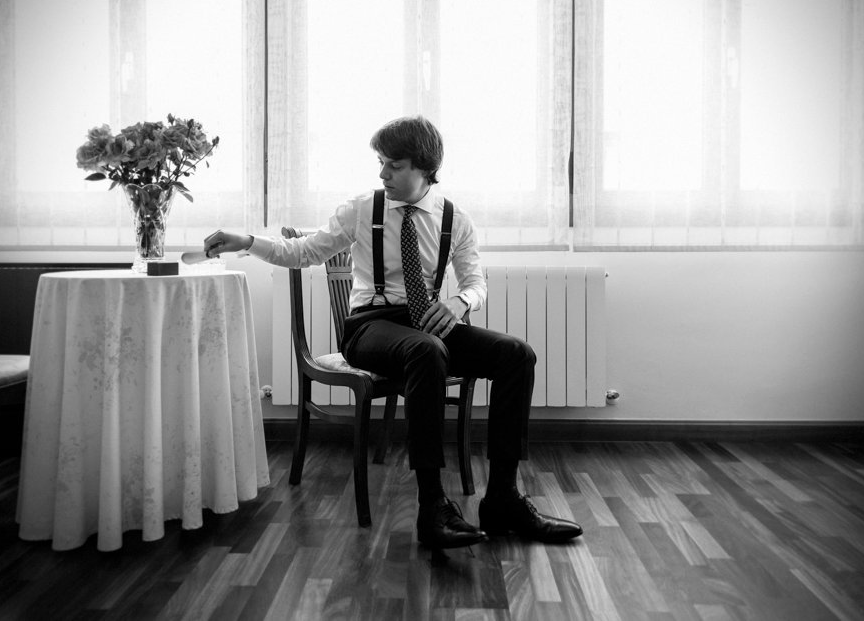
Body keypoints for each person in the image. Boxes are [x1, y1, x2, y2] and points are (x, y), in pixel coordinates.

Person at [203, 115, 581, 549]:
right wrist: (247, 241)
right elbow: (303, 252)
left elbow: (476, 282)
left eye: (394, 165)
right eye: (381, 163)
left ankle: (503, 499)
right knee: (427, 351)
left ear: (425, 168)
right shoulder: (362, 209)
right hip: (370, 328)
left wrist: (460, 302)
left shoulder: (454, 219)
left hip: (427, 326)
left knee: (516, 354)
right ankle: (432, 506)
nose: (383, 174)